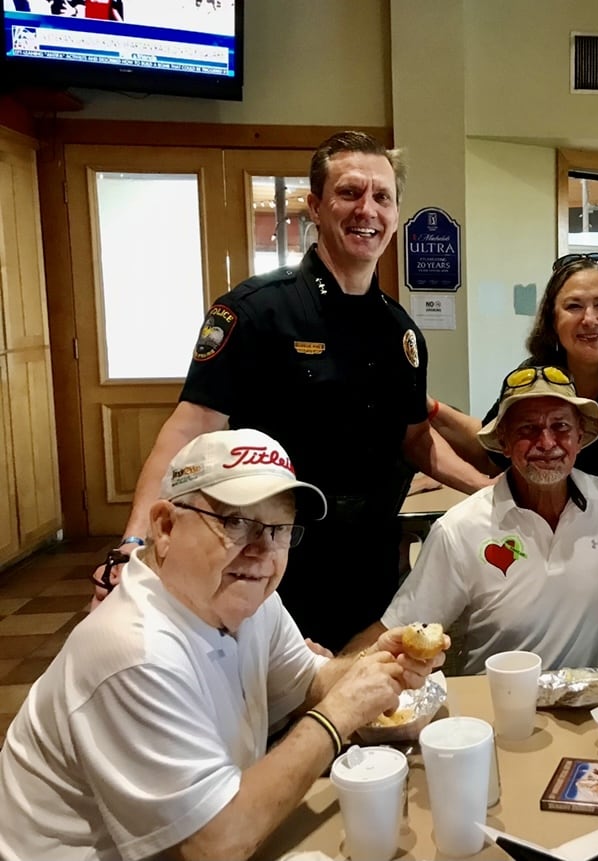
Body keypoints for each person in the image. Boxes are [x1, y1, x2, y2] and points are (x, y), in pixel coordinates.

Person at [91, 130, 490, 653]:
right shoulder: (257, 310)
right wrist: (134, 543)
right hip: (270, 557)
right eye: (349, 193)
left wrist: (493, 494)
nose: (366, 209)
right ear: (316, 206)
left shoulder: (401, 332)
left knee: (367, 692)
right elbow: (190, 427)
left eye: (382, 197)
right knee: (269, 707)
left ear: (395, 213)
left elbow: (417, 440)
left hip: (370, 555)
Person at [0, 429, 447, 860]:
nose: (262, 552)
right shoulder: (135, 652)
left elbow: (307, 680)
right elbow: (213, 844)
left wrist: (377, 663)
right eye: (235, 522)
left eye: (280, 529)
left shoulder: (245, 599)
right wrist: (338, 716)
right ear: (166, 526)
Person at [428, 252, 598, 661]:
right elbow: (494, 447)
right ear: (552, 319)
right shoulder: (537, 380)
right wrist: (432, 411)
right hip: (573, 588)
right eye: (573, 306)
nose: (589, 319)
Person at [349, 366, 598, 674]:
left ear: (580, 436)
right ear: (503, 441)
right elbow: (394, 632)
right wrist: (328, 679)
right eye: (528, 429)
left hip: (594, 716)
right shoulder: (460, 530)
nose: (546, 442)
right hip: (497, 715)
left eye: (560, 426)